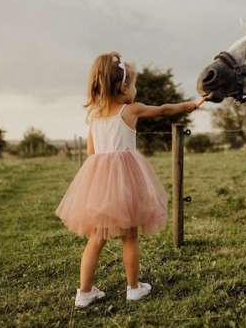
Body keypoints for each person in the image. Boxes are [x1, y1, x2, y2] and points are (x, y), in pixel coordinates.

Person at [55, 51, 198, 307]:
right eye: (134, 85)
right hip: (127, 181)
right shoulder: (130, 111)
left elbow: (91, 153)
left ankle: (84, 293)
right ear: (123, 87)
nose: (135, 90)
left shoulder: (95, 117)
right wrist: (189, 106)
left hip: (100, 183)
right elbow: (164, 109)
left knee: (96, 238)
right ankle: (133, 288)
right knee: (129, 235)